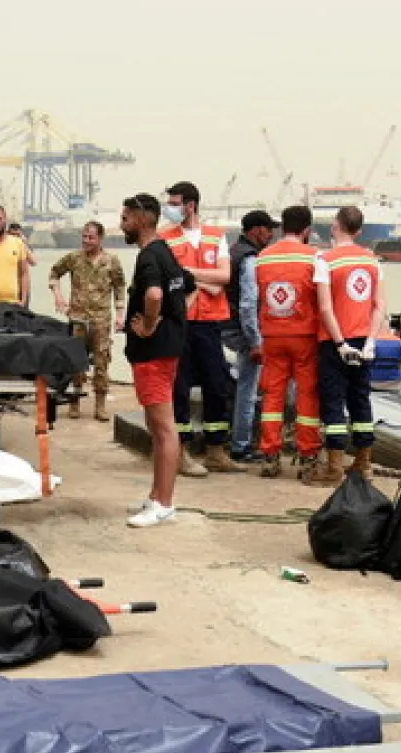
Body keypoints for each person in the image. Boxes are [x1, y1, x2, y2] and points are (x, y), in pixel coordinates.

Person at [120, 193, 193, 528]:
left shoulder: (150, 257)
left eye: (126, 217)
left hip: (153, 355)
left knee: (163, 429)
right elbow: (189, 287)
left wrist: (149, 325)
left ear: (143, 218)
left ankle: (163, 503)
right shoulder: (166, 253)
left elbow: (154, 295)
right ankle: (156, 495)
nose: (122, 223)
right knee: (156, 426)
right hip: (167, 350)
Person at [162, 181, 240, 476]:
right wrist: (209, 282)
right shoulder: (165, 238)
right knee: (179, 387)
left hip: (209, 323)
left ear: (190, 205)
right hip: (179, 322)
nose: (170, 209)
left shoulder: (215, 237)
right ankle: (180, 451)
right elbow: (171, 278)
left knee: (216, 384)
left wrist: (191, 275)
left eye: (174, 203)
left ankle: (215, 451)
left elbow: (225, 276)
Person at [254, 205, 337, 480]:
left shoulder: (263, 257)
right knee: (307, 395)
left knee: (272, 395)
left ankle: (269, 455)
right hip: (304, 335)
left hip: (272, 335)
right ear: (307, 231)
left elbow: (256, 297)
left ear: (281, 227)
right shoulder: (316, 257)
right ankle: (308, 455)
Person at [312, 205, 388, 486]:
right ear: (359, 230)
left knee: (333, 403)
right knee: (361, 399)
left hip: (335, 342)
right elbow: (379, 306)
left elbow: (325, 307)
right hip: (364, 339)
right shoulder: (372, 261)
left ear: (336, 225)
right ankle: (364, 463)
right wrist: (369, 342)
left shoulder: (325, 260)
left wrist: (340, 343)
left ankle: (334, 467)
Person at [48, 221, 126, 421]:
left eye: (91, 237)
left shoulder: (111, 261)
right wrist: (58, 296)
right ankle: (74, 402)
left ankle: (100, 405)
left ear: (100, 238)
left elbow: (119, 287)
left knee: (102, 361)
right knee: (76, 361)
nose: (86, 241)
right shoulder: (74, 258)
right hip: (78, 319)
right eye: (84, 236)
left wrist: (120, 314)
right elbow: (54, 273)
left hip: (101, 320)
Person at [225, 210, 276, 463]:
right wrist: (255, 340)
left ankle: (235, 439)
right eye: (268, 230)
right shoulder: (249, 258)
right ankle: (241, 445)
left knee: (240, 386)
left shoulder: (233, 251)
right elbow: (248, 303)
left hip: (223, 326)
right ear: (256, 230)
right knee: (248, 388)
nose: (271, 234)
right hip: (242, 331)